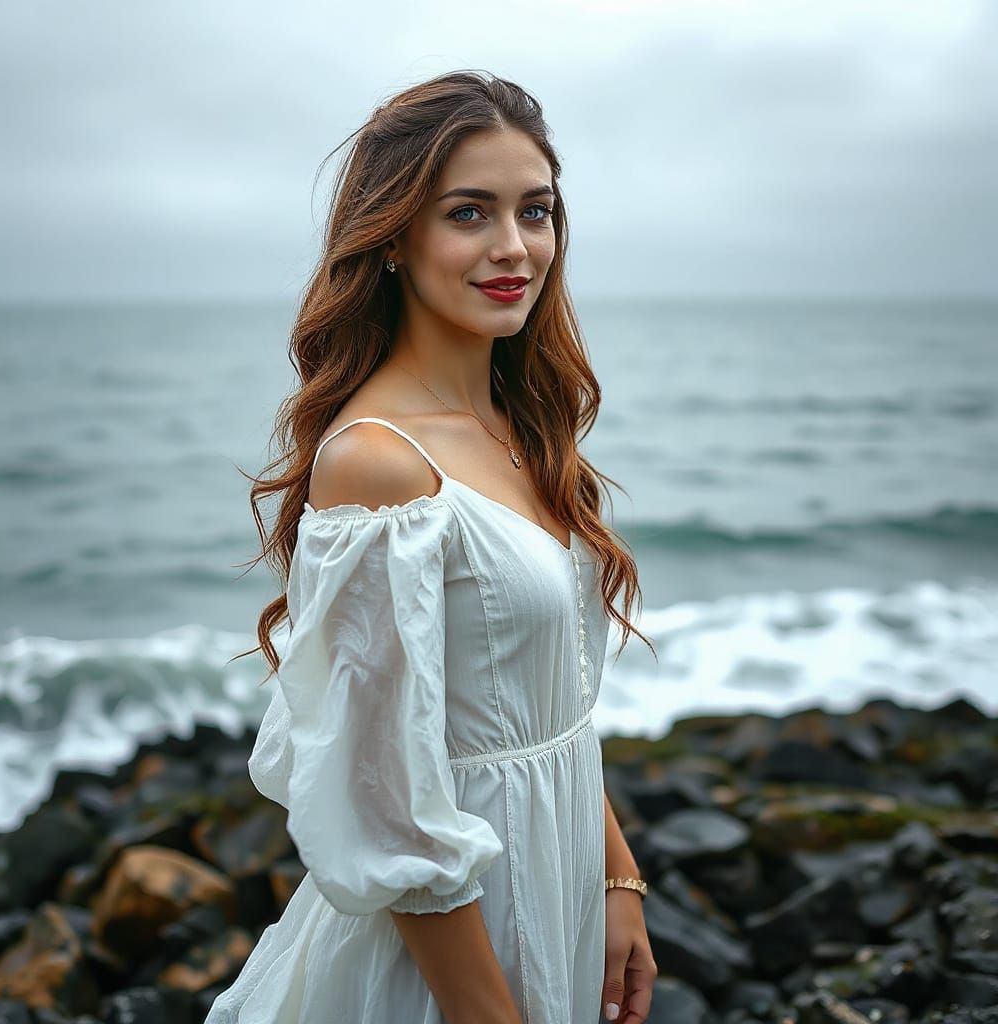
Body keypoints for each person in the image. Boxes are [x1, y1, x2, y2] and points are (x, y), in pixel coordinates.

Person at [209, 70, 659, 1024]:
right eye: (469, 213)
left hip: (562, 887)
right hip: (445, 958)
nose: (514, 248)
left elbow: (546, 703)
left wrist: (618, 880)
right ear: (392, 241)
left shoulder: (517, 428)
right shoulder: (380, 466)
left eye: (534, 211)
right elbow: (382, 794)